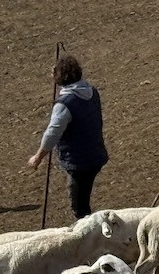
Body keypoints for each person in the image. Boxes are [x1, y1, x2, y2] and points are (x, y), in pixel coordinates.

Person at [28, 55, 109, 220]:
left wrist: (38, 157)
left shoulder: (65, 104)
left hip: (79, 161)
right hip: (96, 154)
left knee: (80, 208)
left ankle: (89, 239)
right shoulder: (92, 92)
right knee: (83, 198)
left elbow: (52, 133)